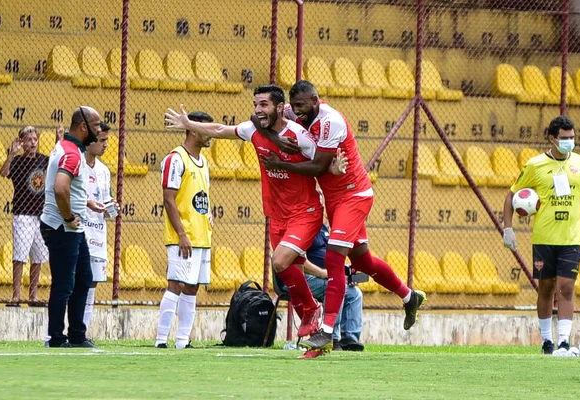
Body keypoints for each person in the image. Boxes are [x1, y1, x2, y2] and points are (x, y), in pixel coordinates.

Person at [164, 85, 346, 340]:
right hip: (277, 213)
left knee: (280, 260)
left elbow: (321, 163)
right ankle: (311, 315)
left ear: (280, 107)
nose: (258, 109)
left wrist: (335, 170)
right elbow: (220, 130)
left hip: (305, 211)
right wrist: (189, 123)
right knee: (289, 264)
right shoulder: (253, 130)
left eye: (264, 104)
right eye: (256, 104)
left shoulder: (298, 135)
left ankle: (311, 311)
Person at [259, 80, 426, 352]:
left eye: (301, 107)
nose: (297, 113)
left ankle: (326, 331)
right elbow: (266, 118)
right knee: (365, 262)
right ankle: (408, 297)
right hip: (335, 200)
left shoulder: (331, 121)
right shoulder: (293, 111)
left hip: (354, 195)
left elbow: (318, 166)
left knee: (334, 256)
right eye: (294, 108)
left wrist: (280, 162)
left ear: (315, 100)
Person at [503, 116, 580, 355]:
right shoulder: (535, 165)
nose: (570, 142)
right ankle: (546, 341)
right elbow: (511, 195)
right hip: (544, 237)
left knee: (567, 288)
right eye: (564, 138)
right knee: (546, 289)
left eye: (572, 138)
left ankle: (563, 341)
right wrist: (508, 228)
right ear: (552, 138)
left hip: (571, 238)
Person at [40, 106, 104, 348]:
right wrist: (68, 217)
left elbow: (68, 187)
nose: (99, 130)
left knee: (83, 278)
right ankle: (56, 338)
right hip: (62, 227)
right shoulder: (73, 154)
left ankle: (77, 335)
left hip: (70, 228)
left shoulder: (68, 148)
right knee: (64, 284)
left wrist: (85, 202)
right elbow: (60, 188)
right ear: (83, 127)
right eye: (96, 125)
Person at [155, 111, 215, 349]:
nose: (211, 134)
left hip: (202, 236)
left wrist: (208, 214)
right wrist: (181, 234)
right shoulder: (176, 159)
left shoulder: (204, 162)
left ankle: (182, 341)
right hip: (183, 236)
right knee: (176, 284)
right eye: (206, 129)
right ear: (192, 130)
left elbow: (201, 195)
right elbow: (169, 199)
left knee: (192, 287)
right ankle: (161, 340)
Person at [277, 224, 364, 351]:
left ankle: (349, 339)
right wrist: (322, 273)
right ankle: (331, 337)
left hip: (324, 277)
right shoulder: (302, 226)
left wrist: (345, 273)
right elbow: (297, 260)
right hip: (303, 277)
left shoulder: (322, 228)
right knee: (336, 288)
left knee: (355, 293)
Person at [0, 126, 49, 306]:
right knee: (20, 256)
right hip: (23, 214)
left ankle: (33, 296)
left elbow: (56, 168)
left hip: (41, 215)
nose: (33, 143)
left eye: (35, 139)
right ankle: (16, 295)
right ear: (22, 142)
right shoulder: (18, 161)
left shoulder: (44, 160)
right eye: (29, 140)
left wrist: (59, 139)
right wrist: (11, 154)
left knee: (38, 257)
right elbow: (4, 172)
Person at [83, 122, 118, 330]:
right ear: (90, 142)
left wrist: (111, 207)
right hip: (79, 229)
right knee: (77, 281)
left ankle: (83, 331)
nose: (106, 145)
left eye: (107, 140)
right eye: (102, 140)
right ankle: (65, 329)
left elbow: (105, 201)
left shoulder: (104, 171)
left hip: (97, 231)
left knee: (93, 282)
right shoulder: (77, 165)